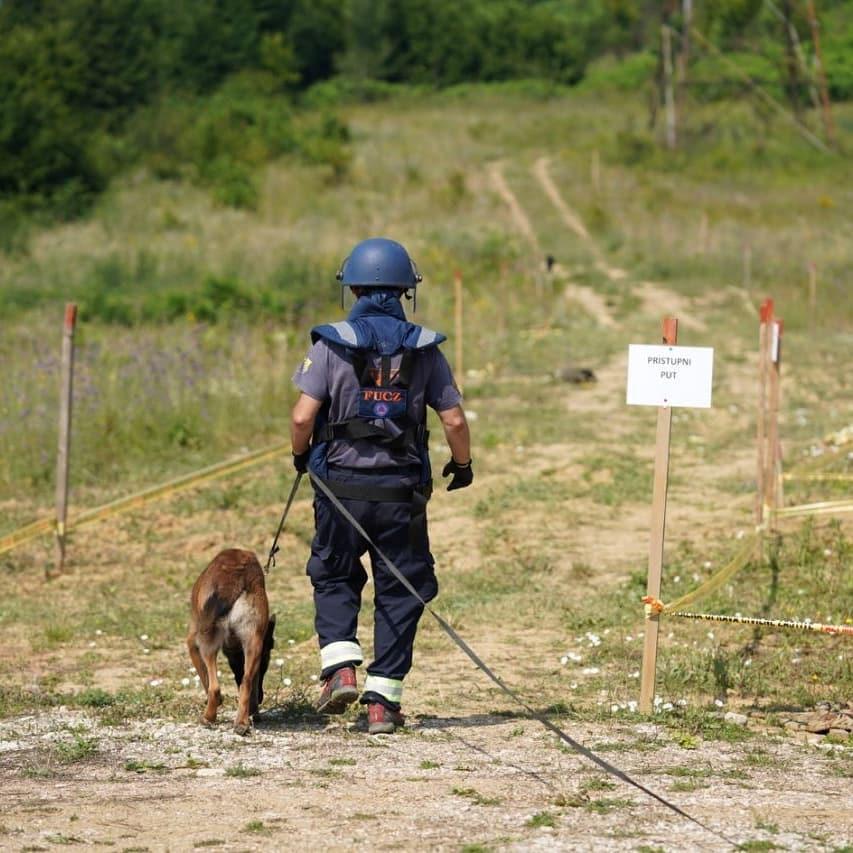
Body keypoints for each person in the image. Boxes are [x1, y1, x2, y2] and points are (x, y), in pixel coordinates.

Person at [290, 237, 473, 734]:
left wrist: (301, 456)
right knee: (402, 587)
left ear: (352, 287)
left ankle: (340, 668)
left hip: (339, 490)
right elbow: (454, 421)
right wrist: (463, 465)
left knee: (333, 574)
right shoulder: (424, 348)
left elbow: (302, 415)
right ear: (405, 290)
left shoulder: (330, 343)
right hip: (401, 494)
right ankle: (382, 702)